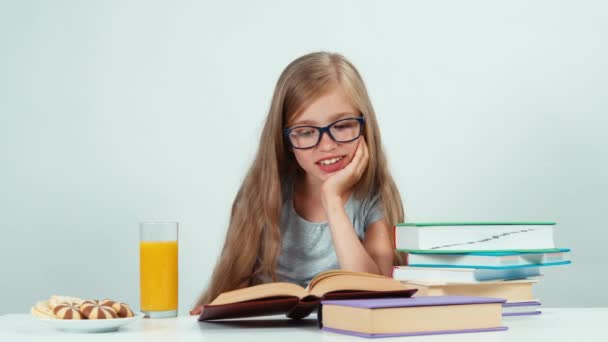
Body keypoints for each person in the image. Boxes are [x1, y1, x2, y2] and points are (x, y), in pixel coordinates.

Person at [191, 52, 405, 314]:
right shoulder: (264, 192)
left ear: (365, 124)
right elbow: (234, 289)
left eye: (343, 125)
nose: (327, 145)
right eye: (305, 132)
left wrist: (333, 200)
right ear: (285, 140)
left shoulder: (373, 196)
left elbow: (375, 292)